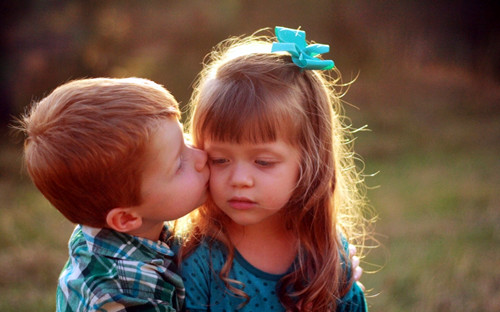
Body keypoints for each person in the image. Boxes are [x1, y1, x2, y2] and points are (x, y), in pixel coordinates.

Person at [174, 26, 373, 311]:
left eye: (263, 162)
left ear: (309, 161)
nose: (240, 180)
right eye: (220, 159)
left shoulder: (327, 252)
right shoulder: (198, 258)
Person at [17, 77, 210, 312]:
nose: (201, 157)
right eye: (179, 164)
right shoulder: (121, 295)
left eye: (185, 140)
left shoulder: (121, 226)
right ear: (126, 219)